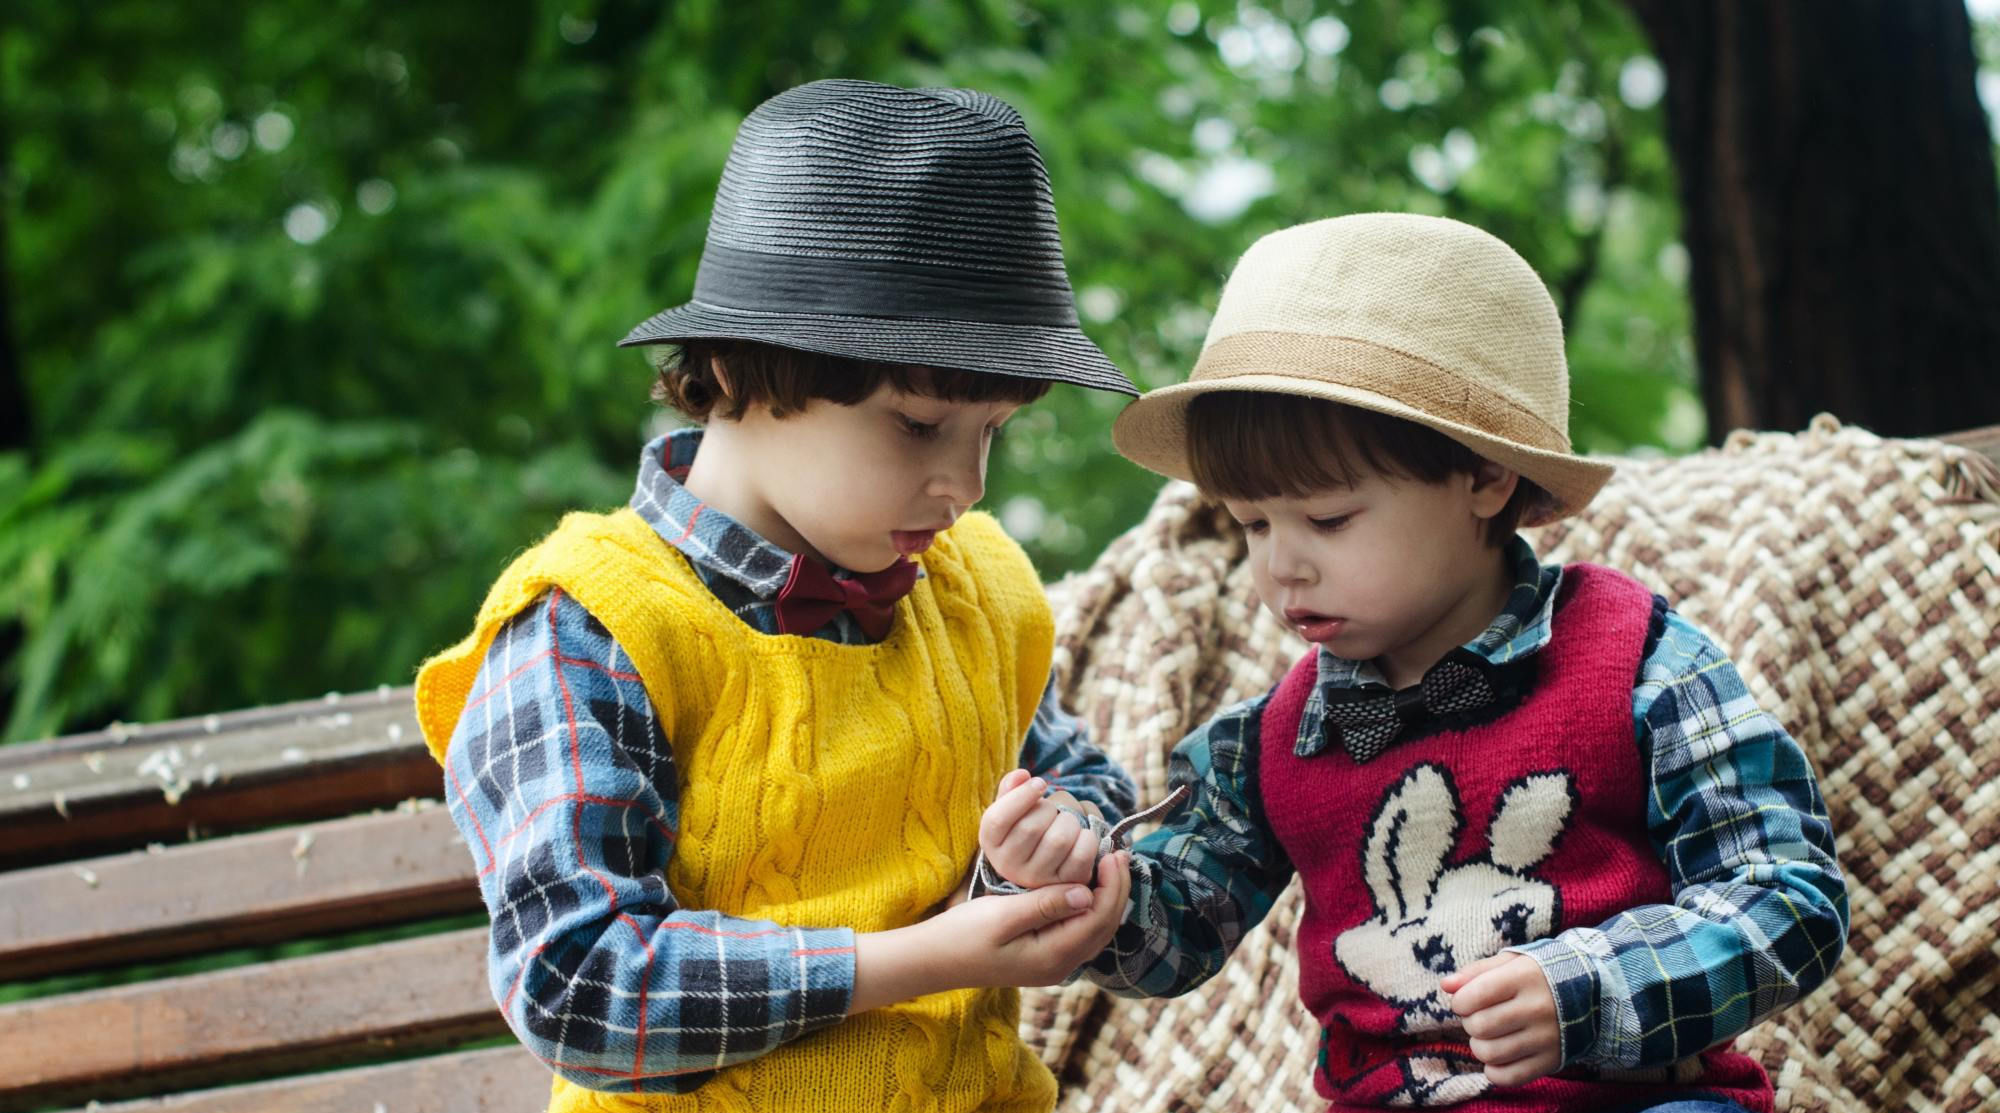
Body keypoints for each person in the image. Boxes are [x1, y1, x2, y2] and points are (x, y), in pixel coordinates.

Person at [979, 213, 1848, 1112]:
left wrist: (1584, 988)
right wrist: (1078, 880)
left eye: (1327, 519)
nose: (1282, 565)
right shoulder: (1274, 739)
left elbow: (1788, 898)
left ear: (1484, 478)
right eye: (1251, 523)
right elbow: (1175, 930)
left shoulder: (1638, 659)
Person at [412, 78, 1139, 1112]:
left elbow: (1090, 796)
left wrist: (1056, 849)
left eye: (993, 432)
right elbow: (577, 988)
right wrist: (917, 960)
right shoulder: (590, 629)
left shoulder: (976, 590)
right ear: (739, 369)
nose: (966, 486)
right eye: (919, 425)